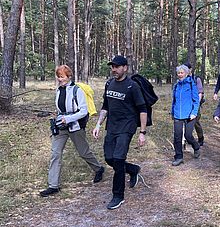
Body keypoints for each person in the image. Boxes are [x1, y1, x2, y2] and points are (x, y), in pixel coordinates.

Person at [40, 65, 105, 197]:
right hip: (61, 127)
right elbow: (60, 109)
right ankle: (53, 186)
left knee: (83, 152)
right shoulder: (59, 90)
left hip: (75, 127)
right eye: (58, 76)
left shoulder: (77, 90)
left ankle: (99, 169)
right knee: (55, 153)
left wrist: (68, 118)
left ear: (69, 77)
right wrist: (58, 119)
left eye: (62, 76)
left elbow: (83, 111)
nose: (60, 79)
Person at [92, 56, 147, 210]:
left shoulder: (132, 86)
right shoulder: (109, 84)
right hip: (112, 127)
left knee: (118, 158)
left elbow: (142, 110)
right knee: (109, 158)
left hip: (127, 127)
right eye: (112, 67)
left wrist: (142, 132)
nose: (114, 70)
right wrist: (98, 125)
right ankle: (133, 169)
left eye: (117, 67)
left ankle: (118, 196)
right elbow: (105, 106)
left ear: (125, 68)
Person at [171, 64, 201, 166]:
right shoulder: (176, 86)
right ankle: (179, 157)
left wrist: (194, 113)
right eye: (178, 73)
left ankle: (196, 147)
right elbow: (174, 101)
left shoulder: (192, 84)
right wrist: (173, 112)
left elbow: (196, 100)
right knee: (177, 137)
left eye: (182, 72)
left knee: (188, 136)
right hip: (177, 115)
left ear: (186, 73)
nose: (180, 74)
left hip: (190, 115)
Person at [184, 62, 205, 146]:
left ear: (190, 69)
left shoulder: (196, 79)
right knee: (185, 121)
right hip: (186, 105)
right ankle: (186, 139)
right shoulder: (183, 79)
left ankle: (200, 138)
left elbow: (200, 92)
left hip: (195, 104)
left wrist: (197, 104)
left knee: (195, 122)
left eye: (186, 69)